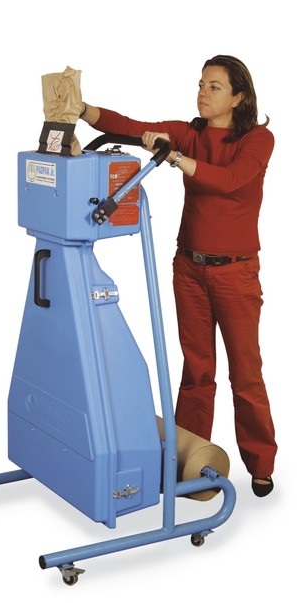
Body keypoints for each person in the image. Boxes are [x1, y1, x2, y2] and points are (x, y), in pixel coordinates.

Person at [79, 55, 277, 497]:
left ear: (238, 97)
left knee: (245, 374)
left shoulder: (258, 140)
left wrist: (177, 158)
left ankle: (261, 463)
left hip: (235, 273)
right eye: (201, 84)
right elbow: (131, 127)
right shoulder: (191, 132)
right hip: (188, 268)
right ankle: (188, 459)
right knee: (197, 371)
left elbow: (230, 180)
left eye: (214, 87)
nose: (203, 93)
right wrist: (82, 109)